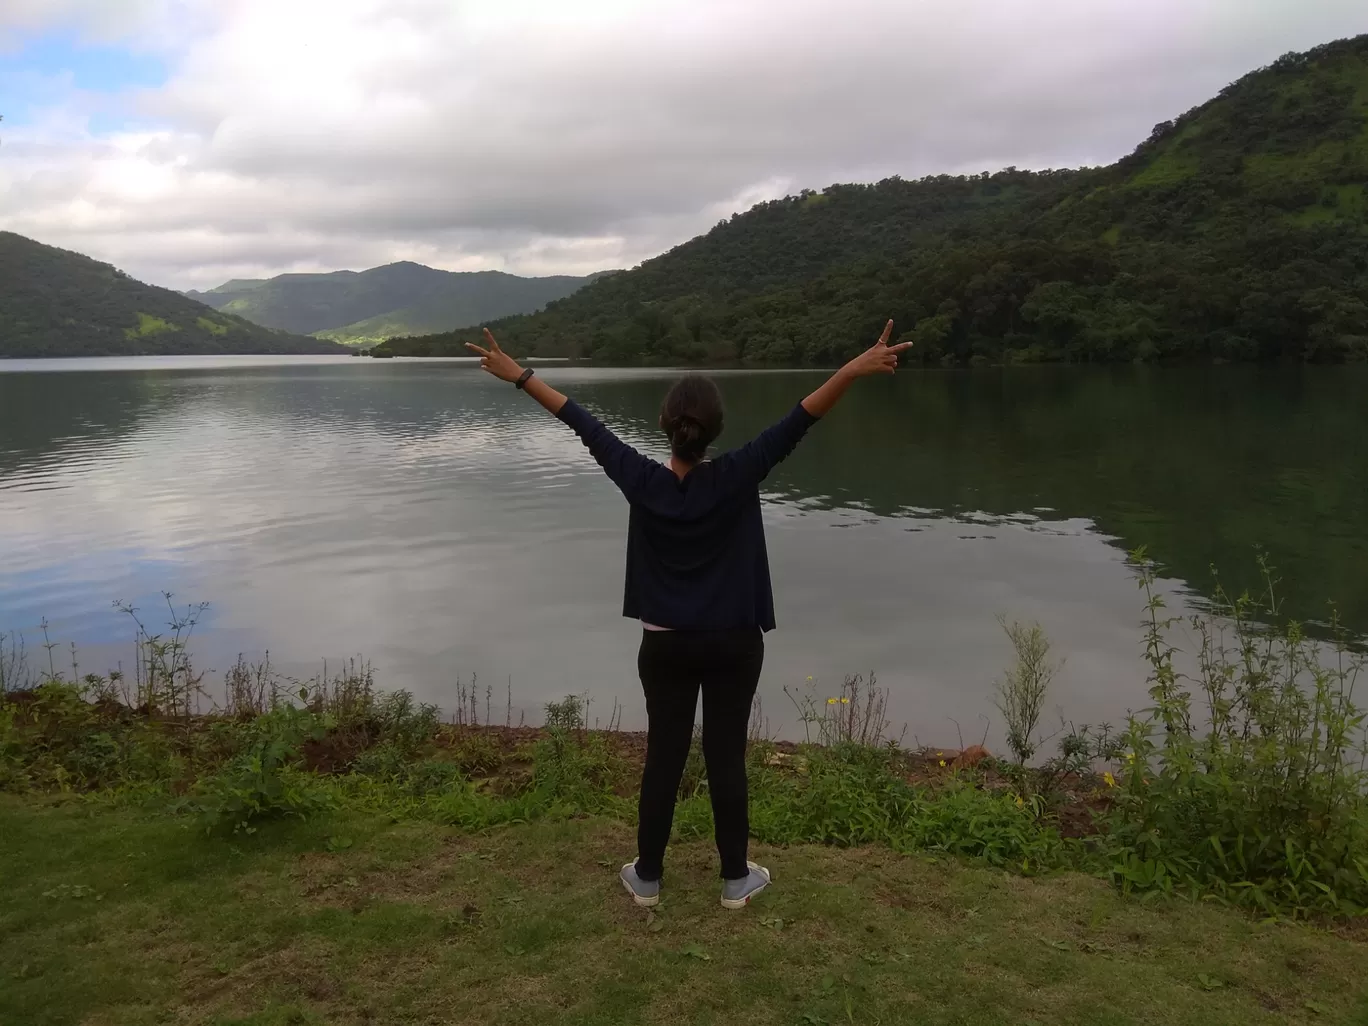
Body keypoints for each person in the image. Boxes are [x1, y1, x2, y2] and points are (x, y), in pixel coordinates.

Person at [466, 321, 910, 909]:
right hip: (734, 642)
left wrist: (520, 375)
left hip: (666, 646)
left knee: (664, 757)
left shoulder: (640, 479)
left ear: (665, 427)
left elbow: (581, 422)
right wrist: (853, 369)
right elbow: (803, 417)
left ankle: (647, 878)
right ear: (715, 431)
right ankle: (734, 882)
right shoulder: (739, 472)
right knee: (727, 756)